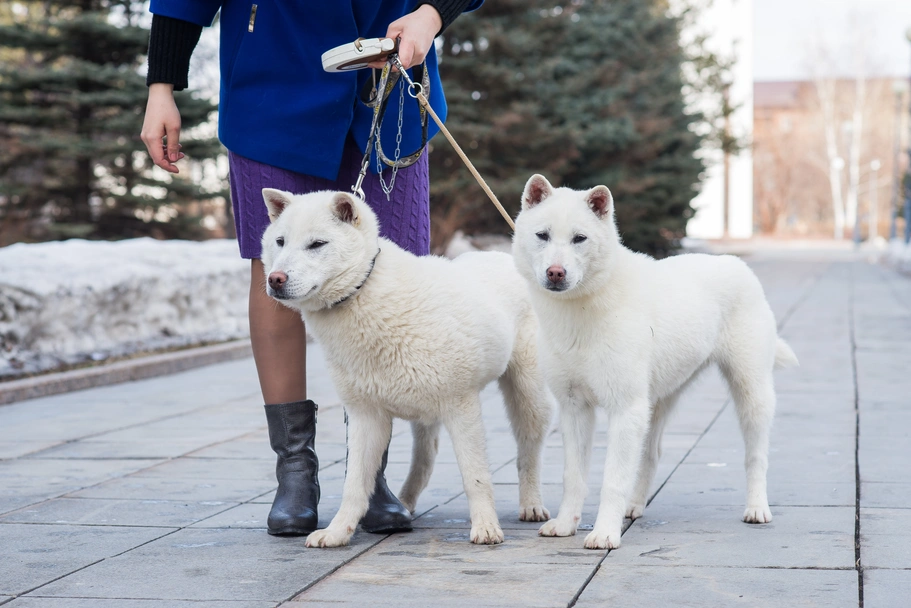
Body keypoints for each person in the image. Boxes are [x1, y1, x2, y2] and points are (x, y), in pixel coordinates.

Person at [141, 0, 480, 537]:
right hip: (273, 85)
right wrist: (161, 85)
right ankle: (295, 471)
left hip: (387, 84)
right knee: (276, 270)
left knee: (394, 284)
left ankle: (370, 477)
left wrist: (432, 14)